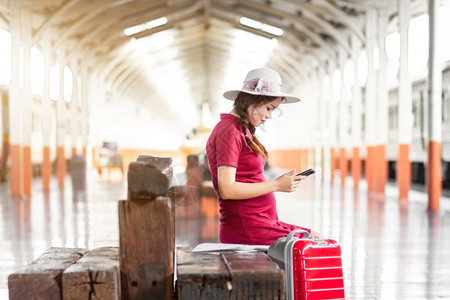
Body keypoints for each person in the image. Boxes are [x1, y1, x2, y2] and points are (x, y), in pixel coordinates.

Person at [206, 67, 323, 245]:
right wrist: (276, 185)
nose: (268, 115)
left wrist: (277, 183)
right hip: (248, 226)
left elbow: (247, 178)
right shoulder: (229, 131)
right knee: (316, 243)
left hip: (260, 222)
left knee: (318, 238)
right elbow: (227, 189)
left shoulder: (241, 130)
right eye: (268, 108)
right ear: (250, 101)